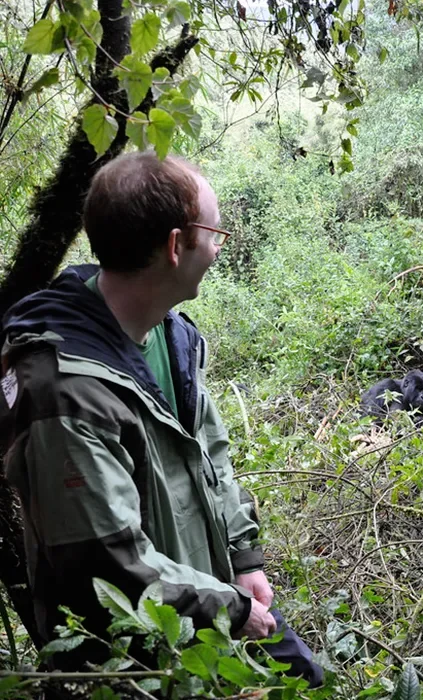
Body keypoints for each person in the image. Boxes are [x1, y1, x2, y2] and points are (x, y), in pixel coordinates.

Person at [0, 151, 323, 685]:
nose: (219, 246)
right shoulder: (67, 393)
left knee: (306, 680)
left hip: (206, 604)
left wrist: (244, 562)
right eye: (214, 231)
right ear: (177, 246)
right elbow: (107, 566)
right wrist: (232, 610)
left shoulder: (171, 337)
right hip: (137, 656)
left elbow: (210, 454)